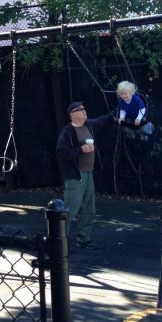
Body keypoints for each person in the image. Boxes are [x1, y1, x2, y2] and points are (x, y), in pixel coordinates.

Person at [56, 101, 113, 250]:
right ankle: (60, 240)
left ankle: (84, 238)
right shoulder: (67, 131)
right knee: (70, 209)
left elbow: (103, 120)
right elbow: (61, 153)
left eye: (84, 109)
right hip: (76, 176)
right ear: (72, 115)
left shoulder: (88, 125)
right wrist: (81, 149)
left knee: (89, 208)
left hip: (88, 174)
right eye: (80, 110)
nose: (84, 111)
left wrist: (118, 110)